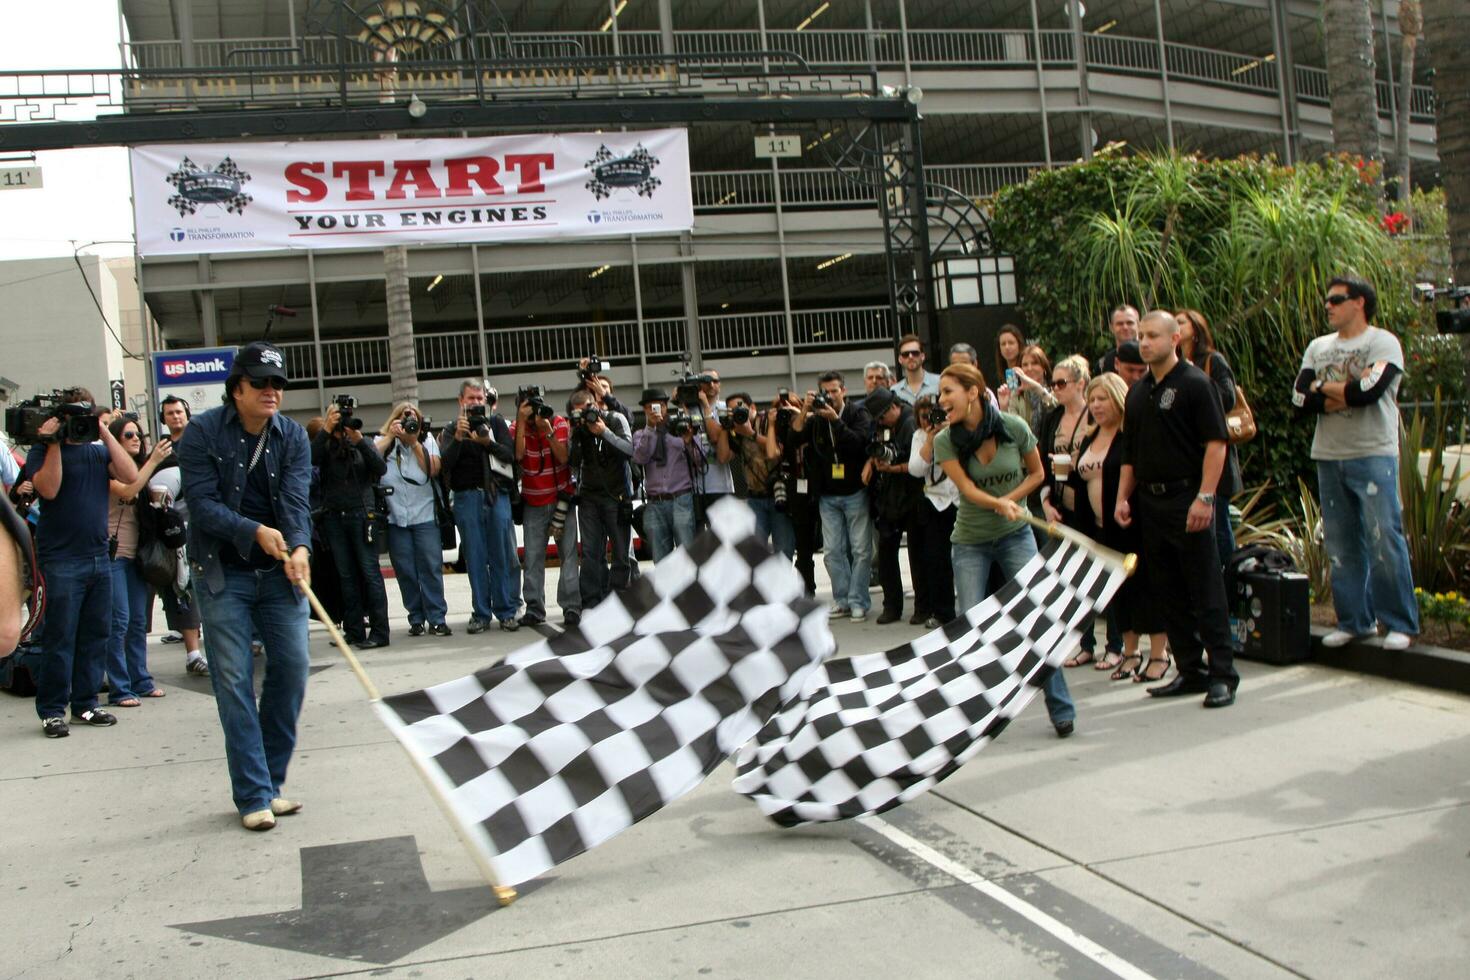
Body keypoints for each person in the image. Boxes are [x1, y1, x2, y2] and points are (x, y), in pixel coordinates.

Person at [177, 341, 313, 830]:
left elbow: (297, 501)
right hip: (222, 572)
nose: (271, 391)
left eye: (277, 383)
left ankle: (271, 783)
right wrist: (253, 530)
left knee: (294, 670)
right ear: (236, 389)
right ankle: (253, 793)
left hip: (279, 575)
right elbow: (202, 504)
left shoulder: (294, 437)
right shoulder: (200, 433)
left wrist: (299, 547)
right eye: (260, 382)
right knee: (233, 681)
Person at [933, 364, 1076, 737]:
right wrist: (1000, 503)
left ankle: (1060, 707)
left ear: (974, 391)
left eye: (949, 391)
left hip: (1016, 535)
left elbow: (1038, 474)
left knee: (1038, 619)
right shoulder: (945, 441)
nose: (942, 400)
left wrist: (1011, 501)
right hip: (970, 541)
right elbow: (967, 490)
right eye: (941, 394)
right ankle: (975, 715)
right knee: (970, 627)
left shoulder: (1014, 428)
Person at [1116, 311, 1238, 708]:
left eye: (1153, 335)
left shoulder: (1196, 384)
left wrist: (1206, 497)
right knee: (1167, 589)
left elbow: (1216, 444)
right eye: (1141, 335)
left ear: (1175, 340)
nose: (1145, 342)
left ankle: (1222, 673)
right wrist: (1122, 497)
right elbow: (1130, 455)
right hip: (1150, 501)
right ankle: (1190, 669)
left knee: (1205, 587)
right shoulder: (1137, 391)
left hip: (1189, 498)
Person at [1293, 275, 1419, 650]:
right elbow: (1299, 399)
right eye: (1327, 300)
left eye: (1336, 299)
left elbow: (1370, 392)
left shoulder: (1382, 343)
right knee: (1341, 543)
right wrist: (1340, 390)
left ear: (1359, 302)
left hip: (1373, 453)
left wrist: (1324, 389)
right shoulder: (1318, 346)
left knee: (1384, 537)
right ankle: (1354, 620)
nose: (1328, 306)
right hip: (1329, 455)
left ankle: (1398, 623)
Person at [27, 389, 139, 739]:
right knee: (60, 638)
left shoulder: (97, 449)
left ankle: (86, 703)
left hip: (97, 557)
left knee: (95, 635)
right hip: (60, 559)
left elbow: (130, 474)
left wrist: (104, 430)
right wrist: (55, 442)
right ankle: (52, 711)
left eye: (84, 414)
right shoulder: (41, 449)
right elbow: (48, 489)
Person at [1067, 374, 1170, 681]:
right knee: (1118, 592)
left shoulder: (1130, 435)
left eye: (1103, 399)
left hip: (1133, 524)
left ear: (1118, 399)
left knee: (1146, 588)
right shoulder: (1089, 436)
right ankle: (1130, 652)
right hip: (1098, 528)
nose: (1097, 405)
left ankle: (1159, 653)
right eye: (1093, 399)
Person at [789, 371, 874, 622]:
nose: (830, 396)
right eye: (826, 392)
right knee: (833, 551)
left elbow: (858, 443)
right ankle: (843, 599)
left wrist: (836, 420)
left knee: (860, 550)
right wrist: (804, 411)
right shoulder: (815, 419)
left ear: (844, 391)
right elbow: (794, 439)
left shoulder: (857, 413)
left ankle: (859, 600)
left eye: (835, 391)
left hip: (855, 491)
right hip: (827, 494)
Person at [440, 380, 520, 633]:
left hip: (496, 496)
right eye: (470, 398)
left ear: (486, 400)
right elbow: (445, 465)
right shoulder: (453, 428)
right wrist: (459, 438)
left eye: (479, 398)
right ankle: (481, 613)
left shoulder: (496, 423)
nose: (475, 403)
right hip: (466, 499)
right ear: (461, 401)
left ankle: (507, 611)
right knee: (474, 558)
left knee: (502, 556)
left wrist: (488, 443)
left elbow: (510, 456)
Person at [104, 416, 174, 706]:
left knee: (137, 622)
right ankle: (120, 688)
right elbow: (128, 489)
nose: (136, 439)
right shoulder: (105, 470)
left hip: (138, 557)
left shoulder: (142, 470)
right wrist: (154, 461)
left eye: (138, 434)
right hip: (114, 555)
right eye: (128, 434)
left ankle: (140, 680)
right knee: (118, 622)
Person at [312, 398, 390, 649]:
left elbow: (380, 467)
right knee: (345, 576)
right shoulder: (324, 447)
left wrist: (358, 440)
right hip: (335, 517)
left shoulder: (362, 442)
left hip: (362, 515)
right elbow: (309, 460)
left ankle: (379, 632)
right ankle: (354, 630)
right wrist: (326, 429)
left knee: (370, 573)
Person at [374, 403, 449, 637]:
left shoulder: (426, 442)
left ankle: (437, 618)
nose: (408, 421)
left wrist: (414, 442)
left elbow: (433, 470)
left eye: (412, 417)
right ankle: (416, 618)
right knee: (405, 570)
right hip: (396, 518)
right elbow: (370, 460)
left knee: (430, 568)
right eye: (403, 417)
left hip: (425, 516)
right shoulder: (383, 442)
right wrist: (391, 436)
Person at [1176, 309, 1242, 569]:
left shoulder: (1212, 360)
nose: (1176, 326)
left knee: (1219, 528)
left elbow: (1228, 398)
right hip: (1187, 459)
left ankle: (1229, 586)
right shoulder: (1171, 365)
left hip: (1215, 456)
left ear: (1196, 329)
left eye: (1181, 322)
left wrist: (1195, 377)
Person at [513, 388, 581, 628]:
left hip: (561, 499)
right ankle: (534, 608)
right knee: (532, 558)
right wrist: (522, 422)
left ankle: (572, 607)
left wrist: (547, 431)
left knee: (569, 556)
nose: (534, 413)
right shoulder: (516, 428)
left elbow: (564, 458)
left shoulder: (558, 422)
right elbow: (518, 455)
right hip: (533, 503)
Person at [149, 395, 207, 676]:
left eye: (179, 412)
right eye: (169, 413)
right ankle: (193, 653)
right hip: (175, 532)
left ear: (187, 414)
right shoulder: (161, 449)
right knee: (183, 588)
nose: (175, 417)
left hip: (205, 523)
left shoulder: (200, 441)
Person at [568, 388, 634, 608]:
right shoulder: (579, 430)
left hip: (616, 496)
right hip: (589, 498)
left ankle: (619, 601)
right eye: (578, 412)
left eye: (588, 409)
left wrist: (604, 432)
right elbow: (573, 462)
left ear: (595, 404)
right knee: (590, 553)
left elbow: (628, 450)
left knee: (621, 553)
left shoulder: (616, 419)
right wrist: (577, 434)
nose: (586, 414)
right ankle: (591, 603)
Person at [863, 386, 923, 624]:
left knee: (918, 555)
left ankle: (921, 607)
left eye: (882, 417)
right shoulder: (884, 426)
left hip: (912, 493)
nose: (881, 422)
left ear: (894, 407)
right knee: (887, 552)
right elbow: (878, 446)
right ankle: (892, 606)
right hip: (889, 494)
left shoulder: (910, 422)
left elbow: (914, 461)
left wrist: (893, 466)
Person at [632, 387, 702, 561]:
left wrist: (688, 442)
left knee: (687, 554)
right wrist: (650, 427)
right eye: (650, 407)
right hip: (655, 502)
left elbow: (699, 461)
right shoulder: (641, 434)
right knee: (660, 558)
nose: (656, 410)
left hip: (681, 498)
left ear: (666, 407)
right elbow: (640, 458)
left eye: (660, 406)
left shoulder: (681, 429)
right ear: (645, 410)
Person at [906, 394, 958, 628]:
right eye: (926, 415)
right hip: (934, 502)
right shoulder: (919, 436)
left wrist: (949, 432)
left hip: (960, 500)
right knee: (937, 560)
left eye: (936, 413)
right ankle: (943, 613)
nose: (932, 419)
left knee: (967, 558)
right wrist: (930, 441)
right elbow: (915, 470)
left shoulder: (959, 430)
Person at [766, 389, 820, 596]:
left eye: (790, 406)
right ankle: (807, 590)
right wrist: (772, 424)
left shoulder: (812, 423)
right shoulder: (778, 431)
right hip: (795, 490)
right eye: (781, 409)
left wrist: (802, 412)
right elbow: (772, 454)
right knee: (803, 547)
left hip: (817, 487)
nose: (786, 412)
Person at [726, 390, 793, 558]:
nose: (738, 412)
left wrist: (750, 433)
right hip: (754, 497)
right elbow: (722, 456)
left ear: (752, 407)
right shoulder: (734, 429)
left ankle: (782, 584)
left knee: (783, 550)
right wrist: (724, 427)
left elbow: (775, 451)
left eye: (741, 408)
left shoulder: (768, 421)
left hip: (779, 494)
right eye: (733, 410)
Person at [695, 370, 736, 523]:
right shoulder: (690, 409)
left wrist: (706, 406)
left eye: (715, 381)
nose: (711, 384)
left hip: (720, 486)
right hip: (695, 487)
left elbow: (716, 437)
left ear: (720, 384)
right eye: (706, 381)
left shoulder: (726, 409)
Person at [1000, 343, 1059, 437]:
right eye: (1025, 365)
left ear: (1044, 367)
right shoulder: (1017, 394)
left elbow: (1056, 409)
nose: (1029, 368)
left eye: (1035, 363)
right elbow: (1012, 429)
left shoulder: (1056, 389)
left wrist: (1036, 388)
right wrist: (1003, 407)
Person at [893, 333, 941, 406]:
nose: (910, 357)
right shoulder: (895, 391)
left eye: (915, 353)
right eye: (905, 354)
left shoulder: (940, 382)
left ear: (922, 356)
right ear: (900, 359)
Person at [1095, 304, 1141, 377]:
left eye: (1130, 323)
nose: (1125, 327)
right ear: (1111, 328)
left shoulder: (1152, 358)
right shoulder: (1102, 365)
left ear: (1139, 325)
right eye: (1120, 324)